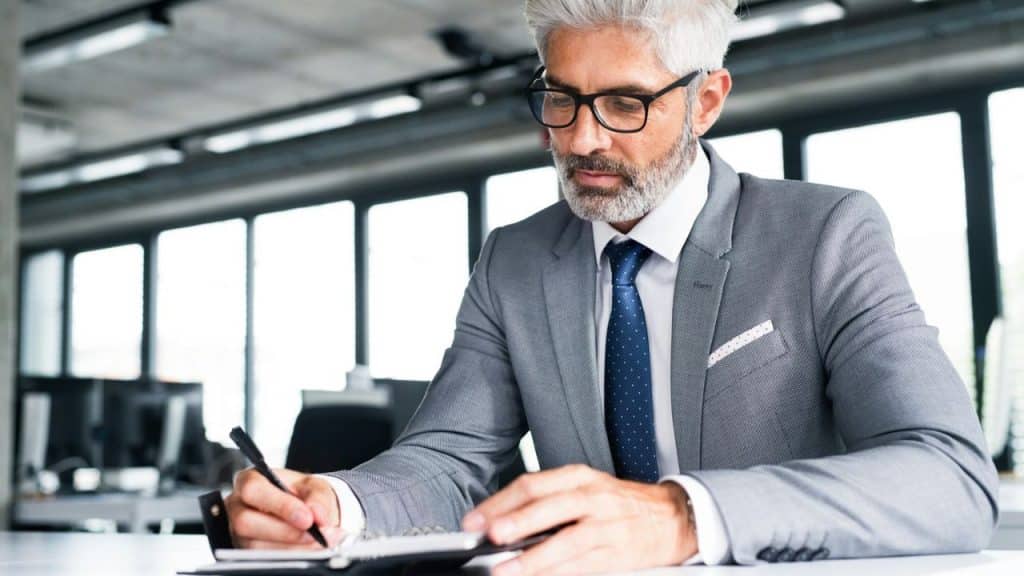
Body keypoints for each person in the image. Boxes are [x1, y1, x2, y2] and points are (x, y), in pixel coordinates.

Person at [225, 1, 999, 573]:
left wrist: (683, 516)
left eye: (625, 103)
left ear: (706, 101)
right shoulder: (515, 261)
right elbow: (452, 458)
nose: (582, 139)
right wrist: (339, 505)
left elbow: (949, 476)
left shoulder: (825, 234)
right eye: (560, 98)